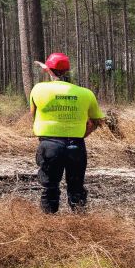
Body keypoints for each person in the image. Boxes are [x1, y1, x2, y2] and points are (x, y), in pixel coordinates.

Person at [29, 52, 104, 214]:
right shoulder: (85, 93)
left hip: (49, 145)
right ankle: (79, 220)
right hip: (75, 145)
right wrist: (85, 133)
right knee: (76, 187)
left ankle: (49, 222)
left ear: (49, 69)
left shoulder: (38, 89)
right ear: (68, 71)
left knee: (50, 187)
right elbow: (97, 120)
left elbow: (33, 114)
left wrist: (48, 70)